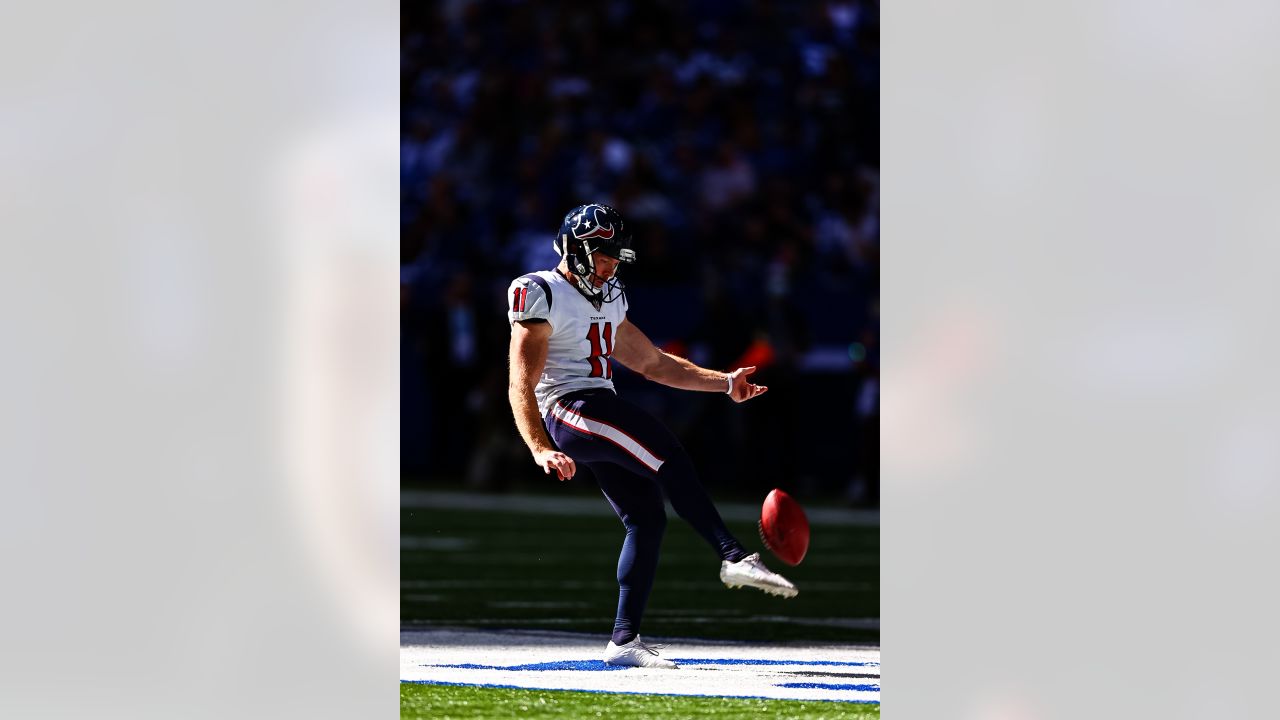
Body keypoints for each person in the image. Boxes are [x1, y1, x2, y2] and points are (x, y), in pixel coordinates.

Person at [506, 203, 798, 670]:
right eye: (605, 256)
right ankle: (733, 555)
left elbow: (653, 363)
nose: (612, 266)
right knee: (666, 452)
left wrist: (724, 382)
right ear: (579, 250)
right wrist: (539, 445)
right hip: (568, 407)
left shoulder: (608, 296)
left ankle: (624, 640)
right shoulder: (540, 290)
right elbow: (521, 381)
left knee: (646, 518)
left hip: (596, 406)